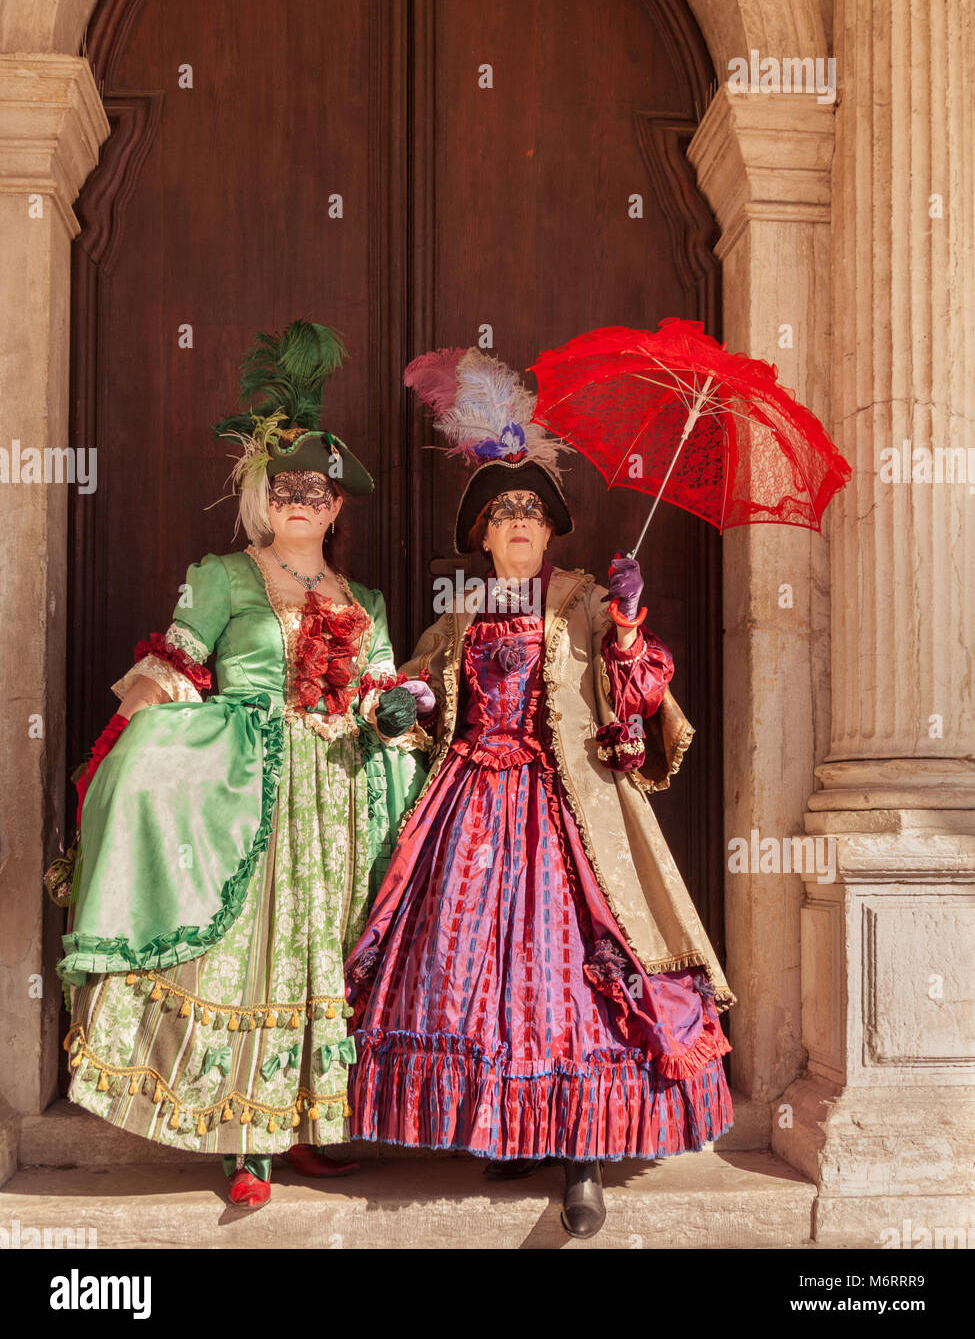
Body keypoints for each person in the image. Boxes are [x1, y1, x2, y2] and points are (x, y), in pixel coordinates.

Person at [345, 346, 736, 1239]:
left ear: (551, 528)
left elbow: (636, 697)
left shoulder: (586, 599)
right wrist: (405, 701)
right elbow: (416, 695)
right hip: (466, 816)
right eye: (502, 511)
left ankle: (583, 1161)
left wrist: (628, 626)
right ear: (481, 532)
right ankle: (509, 1127)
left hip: (570, 820)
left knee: (576, 983)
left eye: (531, 509)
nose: (518, 521)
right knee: (476, 979)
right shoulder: (460, 612)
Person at [55, 322, 429, 1208]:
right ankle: (242, 1147)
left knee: (319, 958)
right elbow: (176, 668)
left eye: (318, 489)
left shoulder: (363, 598)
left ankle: (299, 1126)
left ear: (337, 506)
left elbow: (378, 693)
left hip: (337, 795)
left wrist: (397, 708)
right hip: (247, 790)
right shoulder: (221, 577)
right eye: (287, 486)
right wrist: (120, 757)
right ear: (267, 498)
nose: (302, 500)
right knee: (246, 951)